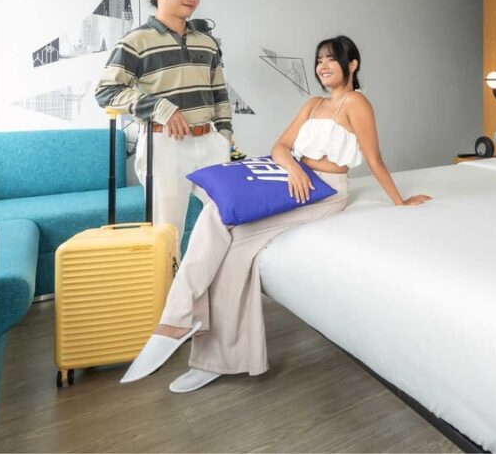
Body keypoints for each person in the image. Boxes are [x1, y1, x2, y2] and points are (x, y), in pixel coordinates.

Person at [120, 35, 431, 393]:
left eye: (332, 59)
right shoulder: (313, 104)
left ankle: (187, 331)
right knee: (216, 214)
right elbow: (280, 147)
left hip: (326, 192)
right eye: (319, 60)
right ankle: (181, 323)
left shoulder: (356, 102)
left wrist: (400, 201)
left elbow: (374, 158)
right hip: (293, 179)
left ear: (353, 64)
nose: (323, 66)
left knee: (235, 244)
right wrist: (294, 169)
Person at [95, 0, 233, 245]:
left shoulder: (207, 43)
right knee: (168, 231)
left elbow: (219, 93)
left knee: (229, 219)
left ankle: (211, 276)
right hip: (164, 145)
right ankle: (170, 277)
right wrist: (160, 108)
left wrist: (224, 136)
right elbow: (106, 91)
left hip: (210, 142)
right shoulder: (135, 41)